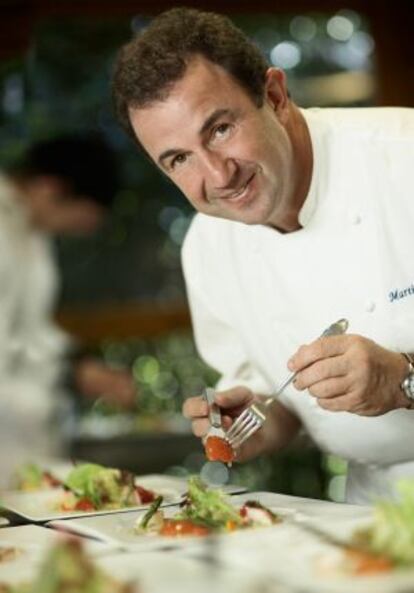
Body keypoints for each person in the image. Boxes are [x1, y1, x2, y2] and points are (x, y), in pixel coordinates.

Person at [111, 8, 414, 504]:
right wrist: (253, 422)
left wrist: (404, 379)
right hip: (374, 510)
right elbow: (284, 411)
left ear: (274, 96)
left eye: (220, 129)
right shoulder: (208, 248)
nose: (218, 175)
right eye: (179, 159)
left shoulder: (404, 157)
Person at [0, 133, 136, 484]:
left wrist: (78, 365)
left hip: (29, 427)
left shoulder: (32, 233)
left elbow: (32, 329)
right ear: (51, 188)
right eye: (80, 216)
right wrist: (69, 375)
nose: (82, 229)